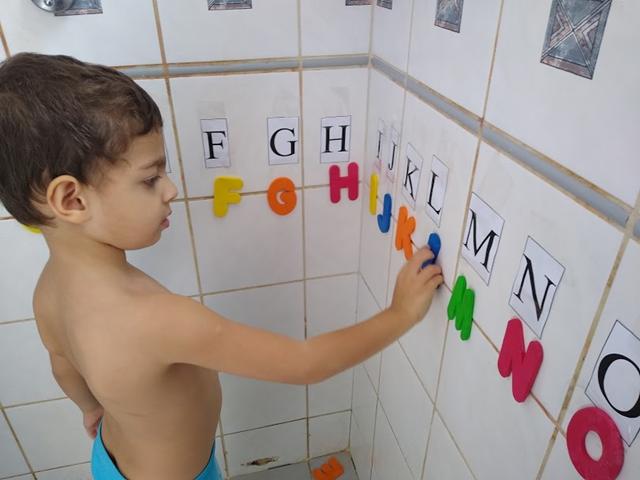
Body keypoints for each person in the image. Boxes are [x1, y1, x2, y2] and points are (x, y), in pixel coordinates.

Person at [0, 52, 443, 480]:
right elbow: (305, 363)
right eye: (150, 179)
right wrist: (399, 313)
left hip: (110, 460)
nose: (171, 190)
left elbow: (63, 365)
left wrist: (92, 408)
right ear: (72, 199)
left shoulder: (49, 290)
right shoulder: (156, 318)